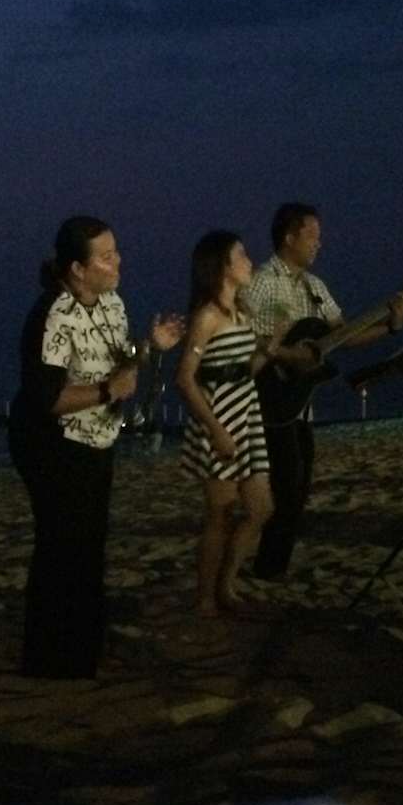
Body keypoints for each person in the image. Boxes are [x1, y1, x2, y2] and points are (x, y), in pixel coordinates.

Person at [8, 215, 183, 679]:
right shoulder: (52, 316)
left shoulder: (112, 303)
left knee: (89, 543)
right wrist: (107, 391)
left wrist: (151, 346)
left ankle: (83, 649)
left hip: (96, 437)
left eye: (116, 251)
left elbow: (121, 360)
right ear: (77, 269)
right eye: (106, 256)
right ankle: (49, 659)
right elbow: (48, 399)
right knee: (60, 545)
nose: (118, 261)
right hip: (50, 442)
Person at [242, 202, 403, 581]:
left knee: (299, 487)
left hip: (299, 401)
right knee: (287, 484)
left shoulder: (315, 287)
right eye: (312, 235)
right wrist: (288, 355)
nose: (319, 243)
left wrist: (392, 325)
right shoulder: (262, 281)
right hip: (268, 395)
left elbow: (342, 336)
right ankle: (267, 569)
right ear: (289, 238)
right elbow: (240, 333)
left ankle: (273, 568)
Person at [176, 230, 277, 617]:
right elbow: (185, 378)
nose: (249, 262)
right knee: (220, 513)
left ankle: (226, 585)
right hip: (218, 419)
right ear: (222, 265)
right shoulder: (207, 316)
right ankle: (206, 597)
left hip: (246, 416)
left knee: (261, 508)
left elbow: (243, 371)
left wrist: (268, 350)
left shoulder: (241, 312)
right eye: (242, 255)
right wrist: (216, 430)